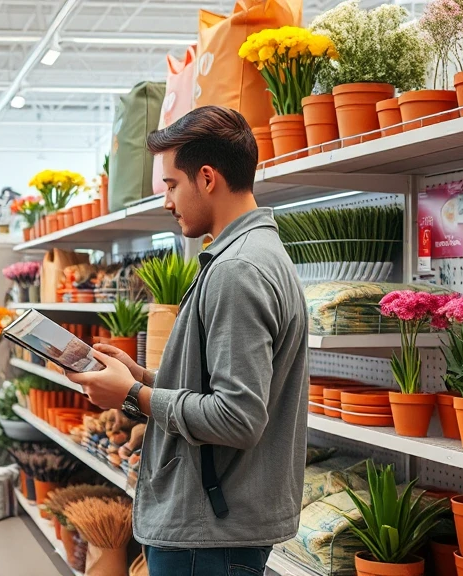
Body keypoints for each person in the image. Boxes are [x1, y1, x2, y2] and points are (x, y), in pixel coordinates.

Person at [67, 105, 309, 576]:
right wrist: (143, 378)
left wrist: (133, 395)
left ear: (207, 177)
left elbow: (238, 417)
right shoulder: (247, 256)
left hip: (208, 536)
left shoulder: (238, 270)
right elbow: (218, 384)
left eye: (171, 185)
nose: (166, 201)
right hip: (215, 528)